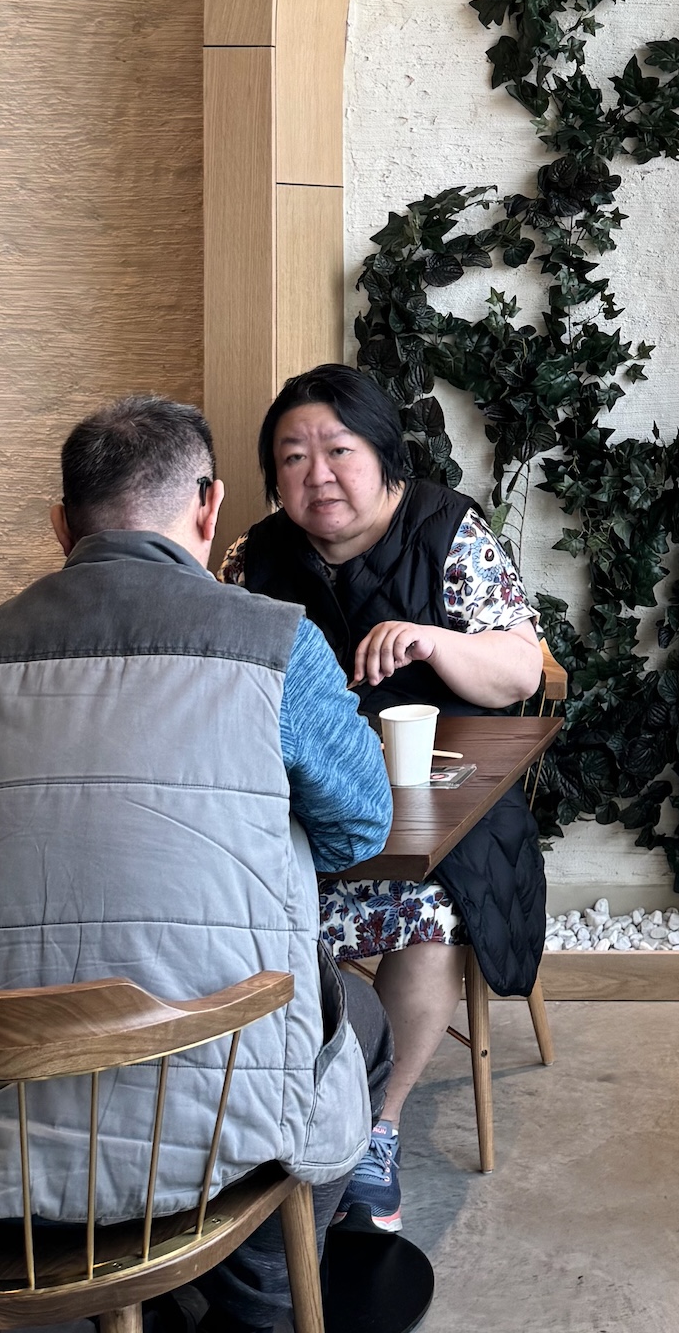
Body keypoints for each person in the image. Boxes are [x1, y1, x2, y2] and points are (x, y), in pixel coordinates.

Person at [0, 396, 395, 1333]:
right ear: (209, 507)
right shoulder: (277, 642)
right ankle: (254, 1302)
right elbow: (360, 824)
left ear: (62, 527)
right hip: (219, 1109)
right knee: (365, 1018)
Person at [221, 363, 548, 1233]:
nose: (316, 474)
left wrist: (434, 641)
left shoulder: (445, 528)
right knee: (230, 897)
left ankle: (375, 1124)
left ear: (383, 455)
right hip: (306, 804)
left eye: (337, 449)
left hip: (447, 803)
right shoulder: (255, 558)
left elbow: (520, 669)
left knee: (430, 908)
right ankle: (276, 1113)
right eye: (291, 457)